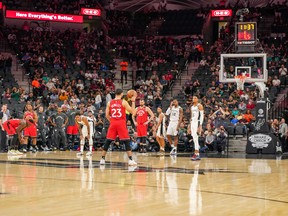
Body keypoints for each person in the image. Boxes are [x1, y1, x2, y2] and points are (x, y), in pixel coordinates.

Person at [100, 89, 137, 166]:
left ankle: (102, 159)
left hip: (113, 123)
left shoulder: (109, 102)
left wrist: (112, 121)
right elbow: (133, 112)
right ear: (122, 94)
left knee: (108, 141)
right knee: (126, 141)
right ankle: (130, 160)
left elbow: (107, 115)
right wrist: (133, 101)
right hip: (121, 123)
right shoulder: (123, 102)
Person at [190, 95, 204, 161]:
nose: (193, 99)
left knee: (196, 138)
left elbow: (201, 116)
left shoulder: (199, 106)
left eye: (195, 98)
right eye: (193, 98)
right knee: (194, 138)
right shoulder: (192, 107)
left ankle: (197, 154)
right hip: (193, 122)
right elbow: (191, 116)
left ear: (198, 99)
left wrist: (200, 125)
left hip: (197, 122)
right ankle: (197, 152)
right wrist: (190, 125)